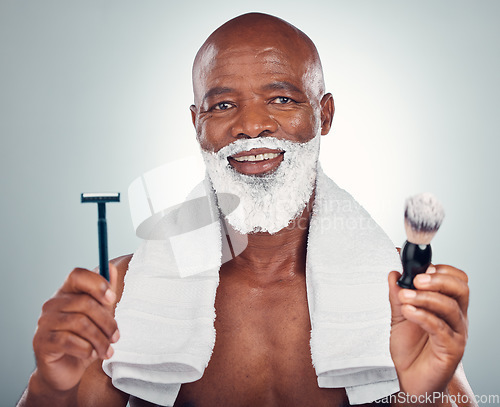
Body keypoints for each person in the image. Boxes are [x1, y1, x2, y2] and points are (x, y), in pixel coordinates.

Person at [18, 12, 475, 407]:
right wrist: (51, 388)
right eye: (223, 105)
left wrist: (423, 392)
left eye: (282, 99)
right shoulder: (123, 295)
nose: (252, 126)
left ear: (325, 115)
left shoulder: (392, 292)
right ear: (198, 125)